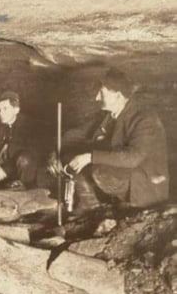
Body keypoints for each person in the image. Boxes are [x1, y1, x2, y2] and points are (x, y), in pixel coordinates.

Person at [47, 68, 169, 211]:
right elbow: (74, 136)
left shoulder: (144, 119)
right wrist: (55, 154)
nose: (97, 98)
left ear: (117, 95)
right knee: (72, 159)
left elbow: (133, 158)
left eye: (101, 93)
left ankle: (128, 204)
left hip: (144, 181)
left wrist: (90, 157)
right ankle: (90, 204)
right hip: (122, 171)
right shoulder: (107, 116)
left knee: (99, 170)